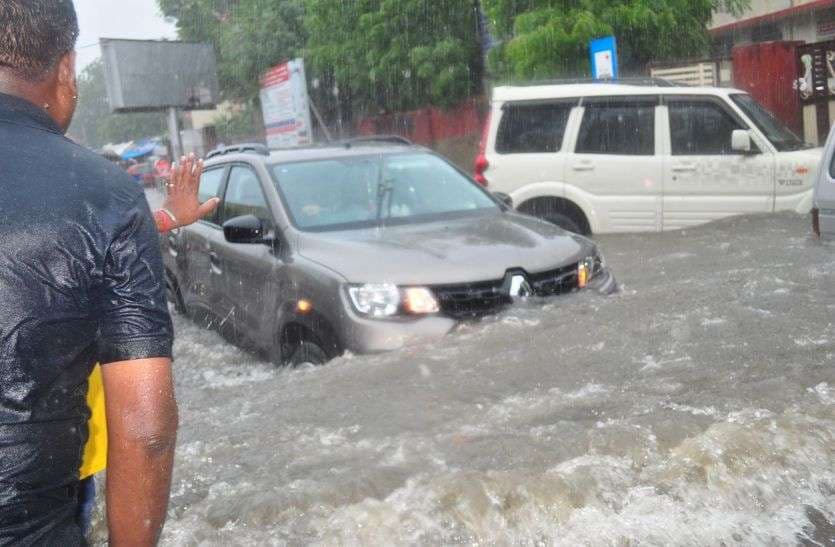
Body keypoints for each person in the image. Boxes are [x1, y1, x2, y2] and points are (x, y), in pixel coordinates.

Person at [0, 1, 217, 544]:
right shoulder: (98, 192)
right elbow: (147, 431)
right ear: (67, 68)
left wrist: (164, 217)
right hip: (42, 502)